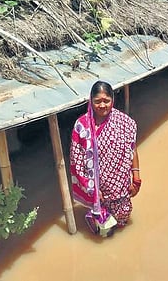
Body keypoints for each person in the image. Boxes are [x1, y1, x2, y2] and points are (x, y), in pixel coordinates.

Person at [70, 80, 141, 231]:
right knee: (101, 227)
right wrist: (92, 188)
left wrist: (136, 178)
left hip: (121, 187)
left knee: (122, 219)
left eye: (106, 101)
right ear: (91, 101)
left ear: (113, 100)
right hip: (96, 188)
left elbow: (132, 149)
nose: (102, 105)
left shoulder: (124, 122)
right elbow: (77, 160)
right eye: (98, 101)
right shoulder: (82, 126)